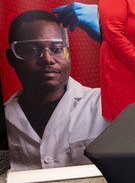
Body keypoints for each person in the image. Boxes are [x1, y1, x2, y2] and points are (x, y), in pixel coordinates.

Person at [4, 10, 109, 171]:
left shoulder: (103, 103)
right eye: (32, 50)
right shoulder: (5, 117)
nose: (47, 59)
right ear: (11, 58)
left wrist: (110, 39)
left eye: (58, 49)